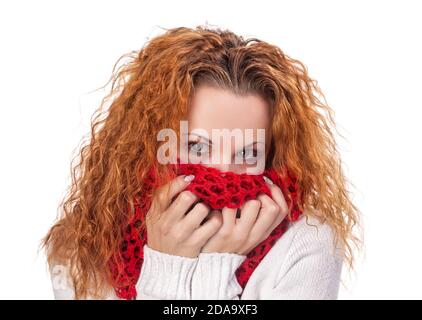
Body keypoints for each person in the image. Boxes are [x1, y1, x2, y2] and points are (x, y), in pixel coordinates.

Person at [42, 25, 361, 300]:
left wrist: (217, 263)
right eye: (197, 146)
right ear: (147, 144)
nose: (223, 172)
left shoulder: (305, 240)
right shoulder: (83, 247)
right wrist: (167, 263)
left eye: (248, 153)